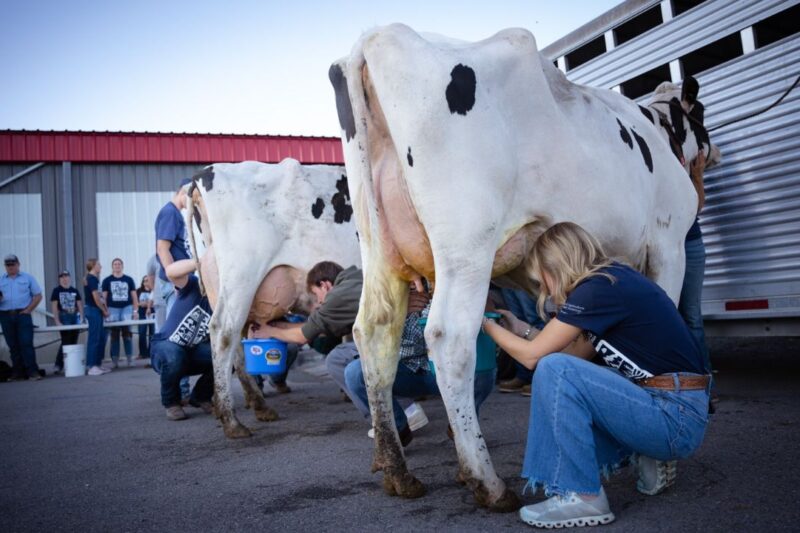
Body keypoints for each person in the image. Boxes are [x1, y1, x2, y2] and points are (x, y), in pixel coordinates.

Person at [481, 222, 710, 528]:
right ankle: (646, 454)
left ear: (556, 266)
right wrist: (518, 327)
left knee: (552, 370)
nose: (546, 291)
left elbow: (536, 359)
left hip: (674, 416)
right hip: (672, 406)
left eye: (542, 280)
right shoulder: (610, 283)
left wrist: (485, 325)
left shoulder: (597, 289)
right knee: (559, 374)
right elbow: (567, 359)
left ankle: (583, 498)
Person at [257, 261, 427, 429]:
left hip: (404, 347)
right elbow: (315, 327)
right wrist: (278, 327)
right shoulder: (355, 279)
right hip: (406, 339)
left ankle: (395, 417)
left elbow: (303, 336)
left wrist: (269, 332)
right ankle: (404, 410)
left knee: (337, 359)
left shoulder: (339, 296)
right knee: (346, 351)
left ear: (325, 285)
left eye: (317, 295)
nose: (319, 302)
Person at [344, 288, 494, 446]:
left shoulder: (451, 274)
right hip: (402, 370)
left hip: (447, 368)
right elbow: (366, 332)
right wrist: (398, 309)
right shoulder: (385, 279)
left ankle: (463, 424)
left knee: (482, 371)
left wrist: (452, 299)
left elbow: (490, 308)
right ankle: (397, 428)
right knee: (355, 373)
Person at [149, 258, 214, 421]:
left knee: (229, 356)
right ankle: (171, 403)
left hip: (193, 353)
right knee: (174, 354)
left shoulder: (222, 303)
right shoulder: (193, 285)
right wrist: (201, 261)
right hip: (165, 345)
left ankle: (201, 396)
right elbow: (170, 271)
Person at [680, 150, 712, 375]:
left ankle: (704, 381)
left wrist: (696, 175)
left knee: (691, 316)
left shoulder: (686, 159)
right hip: (661, 248)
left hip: (690, 244)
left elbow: (697, 206)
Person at [154, 178, 192, 326]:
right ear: (183, 192)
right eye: (192, 198)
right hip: (174, 282)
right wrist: (175, 280)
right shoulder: (170, 212)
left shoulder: (175, 213)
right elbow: (162, 248)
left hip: (179, 280)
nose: (192, 204)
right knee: (174, 325)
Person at [0, 254, 43, 380]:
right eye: (8, 265)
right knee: (13, 346)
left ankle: (33, 372)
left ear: (18, 264)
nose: (10, 267)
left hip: (23, 315)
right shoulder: (1, 280)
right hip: (5, 315)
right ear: (5, 266)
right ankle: (17, 373)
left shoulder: (28, 278)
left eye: (13, 265)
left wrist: (29, 309)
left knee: (26, 344)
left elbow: (38, 295)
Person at [496, 288, 544, 396]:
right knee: (516, 319)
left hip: (521, 272)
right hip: (505, 276)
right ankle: (523, 375)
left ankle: (538, 378)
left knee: (533, 317)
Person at [102, 258, 139, 368]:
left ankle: (129, 358)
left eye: (119, 264)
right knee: (114, 335)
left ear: (122, 266)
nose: (117, 266)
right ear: (112, 267)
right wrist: (104, 310)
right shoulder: (107, 280)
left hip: (126, 307)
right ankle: (115, 361)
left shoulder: (129, 279)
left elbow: (134, 297)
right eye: (115, 264)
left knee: (127, 333)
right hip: (112, 308)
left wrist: (135, 311)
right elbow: (103, 297)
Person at [50, 270, 84, 374]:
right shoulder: (56, 291)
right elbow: (54, 307)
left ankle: (70, 364)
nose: (64, 278)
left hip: (74, 316)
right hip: (64, 316)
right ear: (59, 279)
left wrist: (82, 317)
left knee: (73, 341)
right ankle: (58, 365)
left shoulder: (74, 290)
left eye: (66, 276)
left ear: (69, 278)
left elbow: (79, 304)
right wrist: (57, 320)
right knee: (66, 341)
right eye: (62, 277)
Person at [83, 258, 110, 376]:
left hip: (97, 310)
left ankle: (97, 364)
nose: (101, 266)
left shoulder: (95, 279)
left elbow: (101, 297)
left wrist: (105, 308)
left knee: (100, 337)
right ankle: (91, 366)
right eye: (99, 264)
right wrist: (103, 310)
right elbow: (96, 298)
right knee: (94, 338)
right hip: (93, 310)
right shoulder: (91, 279)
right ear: (93, 266)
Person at [136, 275, 155, 360]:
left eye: (147, 280)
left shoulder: (154, 290)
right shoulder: (138, 291)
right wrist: (142, 304)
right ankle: (142, 353)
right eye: (144, 281)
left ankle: (151, 352)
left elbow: (156, 302)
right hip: (142, 313)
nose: (146, 282)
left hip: (152, 313)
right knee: (142, 333)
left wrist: (147, 304)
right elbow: (136, 302)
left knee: (152, 333)